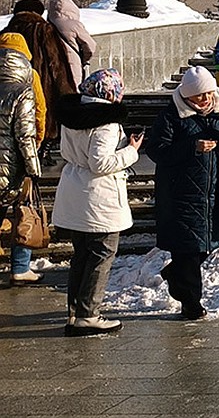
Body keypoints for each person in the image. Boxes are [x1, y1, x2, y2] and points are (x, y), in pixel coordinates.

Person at [144, 66, 219, 320]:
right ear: (186, 96)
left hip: (217, 192)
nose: (205, 100)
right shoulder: (172, 117)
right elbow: (156, 150)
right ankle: (191, 303)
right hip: (181, 194)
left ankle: (175, 273)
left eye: (208, 94)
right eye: (198, 96)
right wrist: (191, 147)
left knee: (205, 246)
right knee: (188, 250)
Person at [51, 69, 142, 336]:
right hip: (98, 197)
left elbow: (70, 152)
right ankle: (88, 315)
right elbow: (100, 162)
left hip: (74, 190)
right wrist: (131, 151)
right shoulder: (106, 122)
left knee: (81, 255)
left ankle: (74, 312)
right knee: (102, 253)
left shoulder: (72, 116)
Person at [4, 0, 75, 155]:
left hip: (7, 96)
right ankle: (42, 151)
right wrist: (68, 94)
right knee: (41, 118)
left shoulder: (6, 33)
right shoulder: (44, 30)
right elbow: (57, 63)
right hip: (41, 89)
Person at [0, 32, 41, 285]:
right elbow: (25, 135)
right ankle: (20, 267)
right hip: (10, 167)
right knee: (21, 213)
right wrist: (33, 168)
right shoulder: (22, 90)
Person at [46, 0, 96, 92]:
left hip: (51, 67)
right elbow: (91, 46)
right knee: (73, 94)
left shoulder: (46, 26)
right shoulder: (74, 25)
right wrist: (84, 58)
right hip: (72, 66)